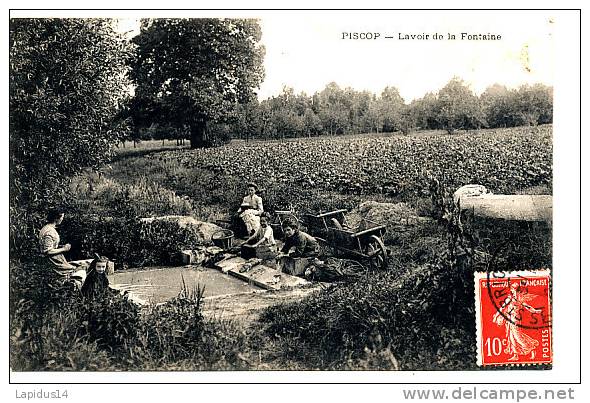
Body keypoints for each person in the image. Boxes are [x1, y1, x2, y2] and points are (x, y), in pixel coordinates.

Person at [39, 208, 87, 287]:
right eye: (62, 217)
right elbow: (47, 251)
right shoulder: (49, 231)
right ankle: (74, 289)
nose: (62, 219)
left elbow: (50, 246)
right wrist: (64, 249)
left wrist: (61, 247)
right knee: (79, 269)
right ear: (56, 218)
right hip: (53, 261)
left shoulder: (47, 228)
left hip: (56, 258)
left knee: (78, 266)